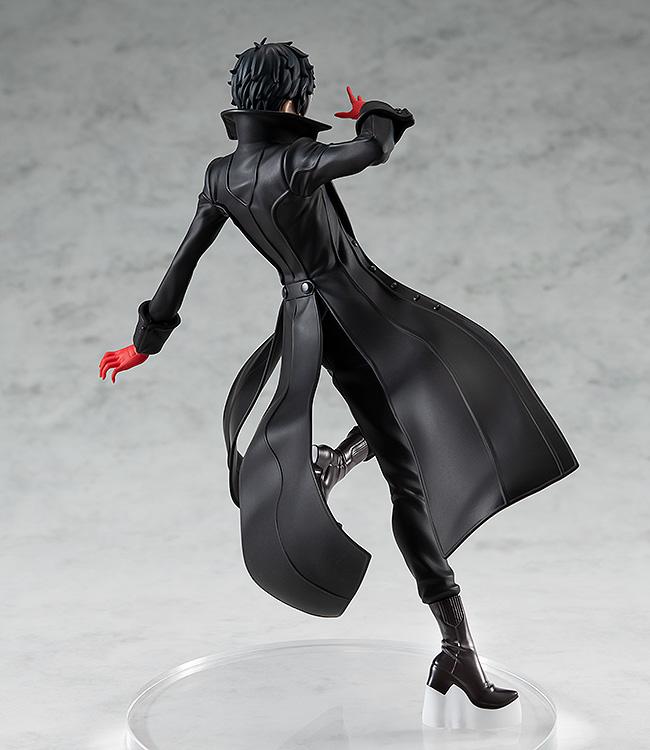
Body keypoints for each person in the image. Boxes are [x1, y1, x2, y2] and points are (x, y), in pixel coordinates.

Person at [100, 38, 578, 722]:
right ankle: (455, 646)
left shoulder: (221, 177)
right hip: (357, 310)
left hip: (311, 316)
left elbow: (183, 262)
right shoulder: (295, 161)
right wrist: (375, 110)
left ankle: (340, 466)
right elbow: (373, 149)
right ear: (291, 99)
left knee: (416, 410)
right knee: (411, 465)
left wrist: (143, 343)